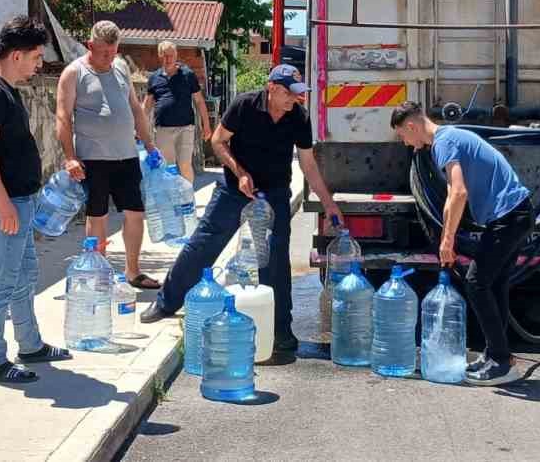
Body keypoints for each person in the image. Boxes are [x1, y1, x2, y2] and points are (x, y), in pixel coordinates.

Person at [140, 65, 342, 360]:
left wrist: (328, 203)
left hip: (273, 194)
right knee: (202, 245)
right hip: (234, 190)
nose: (293, 100)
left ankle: (280, 331)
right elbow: (218, 141)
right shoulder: (245, 105)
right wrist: (240, 172)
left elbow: (308, 165)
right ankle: (166, 301)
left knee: (274, 261)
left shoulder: (299, 117)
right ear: (272, 87)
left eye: (298, 94)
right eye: (288, 93)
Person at [390, 101, 532, 386]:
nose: (405, 143)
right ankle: (495, 356)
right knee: (494, 285)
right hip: (516, 214)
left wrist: (448, 240)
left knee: (476, 284)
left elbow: (459, 193)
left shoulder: (444, 142)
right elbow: (448, 198)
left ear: (411, 126)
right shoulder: (447, 140)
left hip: (509, 217)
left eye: (402, 136)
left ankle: (502, 361)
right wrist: (445, 235)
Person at [0, 16, 72, 384]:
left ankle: (30, 345)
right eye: (36, 56)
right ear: (15, 55)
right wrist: (3, 204)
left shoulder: (4, 89)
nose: (39, 64)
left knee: (24, 276)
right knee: (2, 282)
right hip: (3, 206)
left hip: (16, 203)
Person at [56, 21, 162, 289]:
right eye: (104, 53)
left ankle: (133, 271)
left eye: (113, 52)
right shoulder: (74, 73)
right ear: (90, 46)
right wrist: (70, 157)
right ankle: (99, 274)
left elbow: (136, 109)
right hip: (93, 159)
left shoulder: (121, 67)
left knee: (135, 212)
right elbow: (63, 117)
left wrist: (149, 143)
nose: (109, 58)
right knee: (98, 215)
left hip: (126, 155)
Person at [144, 40, 212, 183]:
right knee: (167, 167)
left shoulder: (187, 75)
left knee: (184, 164)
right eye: (164, 55)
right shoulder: (154, 78)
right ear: (159, 56)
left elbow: (199, 101)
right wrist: (138, 128)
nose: (167, 59)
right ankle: (171, 200)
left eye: (170, 55)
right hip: (163, 129)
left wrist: (206, 125)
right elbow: (147, 105)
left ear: (176, 55)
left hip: (185, 128)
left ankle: (187, 200)